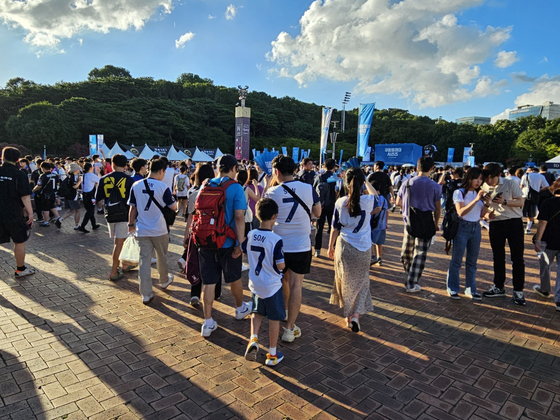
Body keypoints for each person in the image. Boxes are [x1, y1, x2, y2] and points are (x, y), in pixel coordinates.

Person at [265, 155, 321, 342]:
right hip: (301, 245)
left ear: (277, 171)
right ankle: (289, 328)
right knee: (297, 284)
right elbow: (318, 213)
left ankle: (284, 311)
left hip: (279, 245)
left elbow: (265, 219)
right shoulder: (308, 188)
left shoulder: (271, 192)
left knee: (283, 281)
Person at [196, 155, 253, 337]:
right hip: (227, 242)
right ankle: (239, 308)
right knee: (234, 277)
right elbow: (239, 217)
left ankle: (207, 322)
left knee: (209, 282)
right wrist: (240, 243)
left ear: (218, 167)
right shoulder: (235, 188)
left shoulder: (205, 184)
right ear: (234, 168)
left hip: (206, 240)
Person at [328, 168, 377, 332]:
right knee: (362, 282)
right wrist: (365, 180)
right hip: (363, 248)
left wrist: (330, 246)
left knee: (344, 281)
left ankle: (348, 316)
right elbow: (376, 195)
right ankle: (356, 315)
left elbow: (334, 227)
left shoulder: (340, 202)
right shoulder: (368, 201)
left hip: (345, 246)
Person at [243, 198, 286, 366]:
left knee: (257, 312)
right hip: (272, 285)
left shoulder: (251, 234)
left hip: (255, 282)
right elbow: (280, 264)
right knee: (274, 318)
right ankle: (273, 353)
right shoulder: (276, 239)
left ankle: (253, 338)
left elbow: (243, 248)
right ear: (275, 216)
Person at [128, 158, 177, 304]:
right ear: (161, 171)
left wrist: (131, 224)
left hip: (142, 229)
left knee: (144, 261)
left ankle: (146, 293)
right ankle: (163, 280)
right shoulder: (163, 187)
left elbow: (132, 207)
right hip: (160, 229)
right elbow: (173, 207)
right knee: (162, 256)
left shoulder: (136, 185)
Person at [481, 163, 526, 305]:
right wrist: (488, 214)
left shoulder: (510, 183)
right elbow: (483, 210)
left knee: (517, 257)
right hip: (496, 223)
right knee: (498, 257)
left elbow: (521, 202)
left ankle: (518, 290)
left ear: (498, 175)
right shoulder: (484, 187)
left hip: (514, 222)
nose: (489, 181)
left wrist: (504, 201)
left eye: (491, 178)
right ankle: (498, 286)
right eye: (486, 179)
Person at [396, 156, 442, 293]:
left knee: (406, 252)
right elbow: (438, 208)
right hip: (427, 220)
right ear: (432, 169)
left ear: (417, 168)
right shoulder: (435, 186)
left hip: (409, 221)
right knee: (420, 253)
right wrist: (436, 223)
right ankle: (412, 281)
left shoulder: (407, 183)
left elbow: (398, 202)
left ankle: (411, 274)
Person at [445, 167, 492, 301]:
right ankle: (452, 288)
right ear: (469, 178)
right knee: (457, 260)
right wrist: (477, 199)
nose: (478, 181)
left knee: (472, 261)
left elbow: (482, 215)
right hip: (462, 227)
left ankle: (471, 289)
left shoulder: (479, 195)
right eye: (476, 178)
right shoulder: (459, 192)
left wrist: (487, 204)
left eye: (480, 179)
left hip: (475, 227)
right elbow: (461, 212)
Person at [180, 163, 222, 306]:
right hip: (214, 232)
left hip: (197, 232)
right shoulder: (218, 191)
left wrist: (186, 236)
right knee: (215, 261)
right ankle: (216, 292)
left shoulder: (193, 192)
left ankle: (195, 293)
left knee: (196, 262)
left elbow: (191, 217)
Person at [96, 154, 136, 281]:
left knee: (119, 242)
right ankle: (114, 271)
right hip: (124, 214)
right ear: (125, 166)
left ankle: (123, 265)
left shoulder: (104, 179)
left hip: (110, 214)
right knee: (119, 243)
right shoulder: (130, 180)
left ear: (112, 164)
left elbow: (98, 198)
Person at [0, 147, 35, 278]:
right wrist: (30, 213)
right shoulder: (20, 174)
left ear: (3, 157)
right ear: (18, 160)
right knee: (19, 241)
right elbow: (25, 196)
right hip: (14, 212)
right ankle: (20, 269)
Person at [533, 179, 560, 311]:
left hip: (549, 240)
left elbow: (542, 222)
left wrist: (538, 240)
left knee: (545, 266)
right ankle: (559, 299)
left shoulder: (548, 202)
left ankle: (545, 289)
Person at [313, 158, 336, 257]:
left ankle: (317, 249)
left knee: (319, 227)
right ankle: (333, 246)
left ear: (324, 166)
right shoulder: (336, 177)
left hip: (320, 205)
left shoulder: (320, 177)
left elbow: (313, 190)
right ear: (334, 167)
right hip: (333, 205)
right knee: (333, 227)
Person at [33, 162, 63, 228]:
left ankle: (46, 221)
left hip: (45, 194)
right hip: (53, 193)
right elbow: (58, 183)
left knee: (45, 208)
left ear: (43, 168)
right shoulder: (55, 175)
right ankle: (58, 217)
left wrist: (32, 190)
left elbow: (39, 185)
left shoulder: (43, 176)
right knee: (52, 206)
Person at [520, 167, 549, 235]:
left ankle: (520, 227)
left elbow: (521, 185)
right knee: (531, 213)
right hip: (535, 196)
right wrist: (539, 190)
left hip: (524, 195)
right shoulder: (541, 176)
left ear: (532, 171)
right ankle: (528, 228)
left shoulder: (526, 175)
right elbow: (547, 186)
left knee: (520, 212)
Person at [78, 163, 101, 233]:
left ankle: (93, 225)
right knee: (90, 211)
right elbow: (100, 180)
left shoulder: (84, 175)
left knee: (91, 211)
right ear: (90, 168)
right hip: (90, 196)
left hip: (85, 195)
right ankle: (82, 226)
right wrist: (99, 173)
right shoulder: (91, 175)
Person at [370, 180, 387, 265]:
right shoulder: (383, 199)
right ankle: (379, 257)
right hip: (382, 223)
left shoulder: (373, 198)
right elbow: (386, 211)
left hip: (373, 223)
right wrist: (386, 223)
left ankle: (372, 256)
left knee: (371, 241)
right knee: (380, 242)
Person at [61, 163, 82, 230]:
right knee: (77, 210)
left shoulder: (69, 176)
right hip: (73, 196)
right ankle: (76, 225)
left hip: (69, 195)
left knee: (72, 210)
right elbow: (74, 186)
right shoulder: (73, 177)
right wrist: (79, 181)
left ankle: (60, 219)